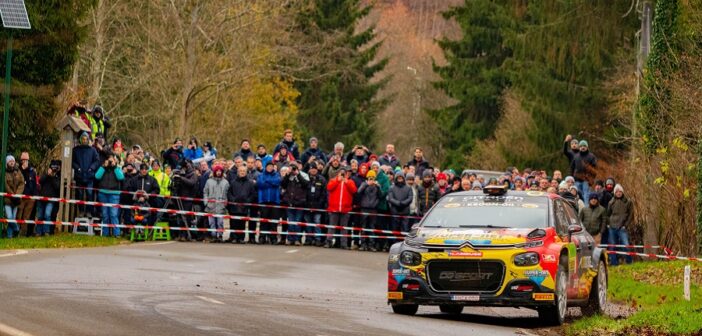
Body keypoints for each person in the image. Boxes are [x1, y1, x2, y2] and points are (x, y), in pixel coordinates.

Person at [326, 167, 357, 249]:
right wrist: (337, 180)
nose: (342, 174)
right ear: (338, 173)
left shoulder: (350, 181)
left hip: (345, 208)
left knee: (344, 227)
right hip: (334, 208)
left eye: (344, 173)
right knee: (332, 226)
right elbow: (329, 187)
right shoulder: (333, 180)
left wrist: (346, 182)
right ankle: (329, 241)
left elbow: (354, 190)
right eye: (341, 173)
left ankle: (344, 244)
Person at [95, 154, 125, 237]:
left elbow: (121, 177)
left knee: (114, 214)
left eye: (112, 160)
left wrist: (115, 167)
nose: (111, 161)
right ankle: (105, 233)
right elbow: (97, 176)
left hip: (114, 194)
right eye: (109, 160)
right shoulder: (103, 167)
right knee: (105, 215)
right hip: (103, 193)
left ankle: (116, 233)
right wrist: (103, 167)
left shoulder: (118, 168)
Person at [72, 132, 100, 217]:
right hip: (79, 176)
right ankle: (81, 211)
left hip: (89, 176)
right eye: (83, 139)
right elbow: (72, 161)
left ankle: (89, 212)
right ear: (80, 140)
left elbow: (97, 161)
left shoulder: (92, 150)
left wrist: (92, 167)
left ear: (88, 140)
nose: (84, 140)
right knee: (79, 194)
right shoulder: (76, 150)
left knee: (89, 194)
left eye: (86, 139)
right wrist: (77, 168)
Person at [227, 165, 257, 244]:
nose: (242, 172)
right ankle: (234, 237)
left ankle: (241, 238)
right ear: (238, 172)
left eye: (244, 171)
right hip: (234, 206)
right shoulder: (233, 182)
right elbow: (229, 193)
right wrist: (233, 200)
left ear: (246, 172)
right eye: (240, 171)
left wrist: (248, 201)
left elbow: (253, 194)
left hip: (244, 207)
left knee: (242, 223)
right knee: (233, 223)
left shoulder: (250, 183)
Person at [281, 164, 309, 246]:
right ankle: (290, 239)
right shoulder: (288, 176)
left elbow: (305, 184)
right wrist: (288, 174)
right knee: (291, 222)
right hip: (290, 203)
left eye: (294, 168)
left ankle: (297, 239)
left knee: (297, 222)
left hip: (299, 203)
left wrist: (298, 174)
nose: (293, 170)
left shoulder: (304, 175)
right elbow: (283, 184)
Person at [607, 184, 633, 266]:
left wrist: (626, 225)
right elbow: (608, 214)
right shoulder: (611, 202)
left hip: (622, 227)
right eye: (616, 192)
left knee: (626, 245)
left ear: (622, 192)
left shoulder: (628, 202)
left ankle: (629, 261)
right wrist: (609, 224)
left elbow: (631, 215)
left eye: (620, 191)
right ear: (614, 193)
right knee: (612, 246)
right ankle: (614, 263)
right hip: (612, 227)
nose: (618, 193)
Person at [257, 161, 281, 245]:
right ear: (266, 167)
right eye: (268, 166)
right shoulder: (260, 175)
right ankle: (262, 237)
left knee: (274, 221)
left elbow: (277, 182)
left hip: (274, 201)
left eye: (271, 166)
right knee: (263, 221)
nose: (270, 168)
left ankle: (273, 238)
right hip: (264, 200)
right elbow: (260, 184)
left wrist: (267, 181)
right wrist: (271, 182)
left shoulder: (277, 175)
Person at [387, 172, 413, 250]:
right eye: (398, 178)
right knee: (394, 230)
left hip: (405, 212)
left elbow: (410, 198)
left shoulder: (408, 188)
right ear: (396, 178)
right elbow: (390, 198)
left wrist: (402, 203)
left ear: (403, 178)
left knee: (404, 229)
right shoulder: (392, 188)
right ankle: (394, 246)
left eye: (401, 178)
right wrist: (398, 203)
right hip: (395, 211)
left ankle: (403, 246)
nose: (400, 179)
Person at [203, 165, 229, 243]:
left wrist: (225, 203)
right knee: (211, 223)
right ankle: (213, 235)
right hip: (210, 206)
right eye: (217, 171)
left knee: (220, 222)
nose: (218, 172)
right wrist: (206, 202)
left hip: (221, 206)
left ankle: (220, 235)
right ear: (214, 172)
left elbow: (227, 194)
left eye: (220, 171)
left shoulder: (226, 182)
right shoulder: (209, 181)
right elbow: (205, 192)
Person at [357, 170, 381, 251]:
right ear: (367, 178)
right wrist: (366, 184)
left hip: (373, 209)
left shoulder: (377, 186)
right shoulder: (364, 184)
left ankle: (371, 245)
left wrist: (378, 187)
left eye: (373, 178)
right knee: (363, 227)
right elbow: (359, 191)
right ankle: (363, 244)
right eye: (370, 178)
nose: (371, 179)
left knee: (372, 228)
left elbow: (381, 196)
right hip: (364, 208)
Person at [304, 161, 327, 246]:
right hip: (307, 206)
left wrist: (319, 204)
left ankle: (317, 239)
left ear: (317, 170)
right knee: (308, 223)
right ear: (309, 170)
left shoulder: (322, 179)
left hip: (318, 206)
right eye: (311, 169)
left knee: (317, 222)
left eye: (314, 169)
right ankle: (309, 239)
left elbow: (324, 193)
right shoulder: (306, 179)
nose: (313, 170)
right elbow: (303, 192)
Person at [35, 160, 61, 236]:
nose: (53, 169)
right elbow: (40, 180)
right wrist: (47, 174)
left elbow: (57, 186)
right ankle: (38, 232)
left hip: (50, 199)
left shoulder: (57, 176)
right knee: (40, 216)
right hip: (42, 197)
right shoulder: (45, 173)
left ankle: (46, 231)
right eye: (52, 167)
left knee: (47, 215)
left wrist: (52, 177)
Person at [17, 152, 38, 236]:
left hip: (30, 198)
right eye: (23, 160)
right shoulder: (18, 170)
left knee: (26, 217)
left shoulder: (32, 171)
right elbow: (20, 181)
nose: (25, 162)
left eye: (26, 160)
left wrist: (34, 197)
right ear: (21, 161)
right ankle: (16, 232)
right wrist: (24, 169)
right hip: (21, 197)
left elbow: (34, 183)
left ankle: (23, 234)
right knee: (19, 215)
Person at [3, 155, 24, 238]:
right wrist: (12, 194)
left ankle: (9, 236)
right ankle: (17, 229)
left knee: (13, 218)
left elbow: (22, 183)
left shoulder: (18, 171)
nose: (12, 162)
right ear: (7, 162)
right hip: (8, 199)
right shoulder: (4, 172)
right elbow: (5, 185)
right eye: (10, 161)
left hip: (16, 199)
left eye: (13, 161)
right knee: (9, 217)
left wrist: (17, 194)